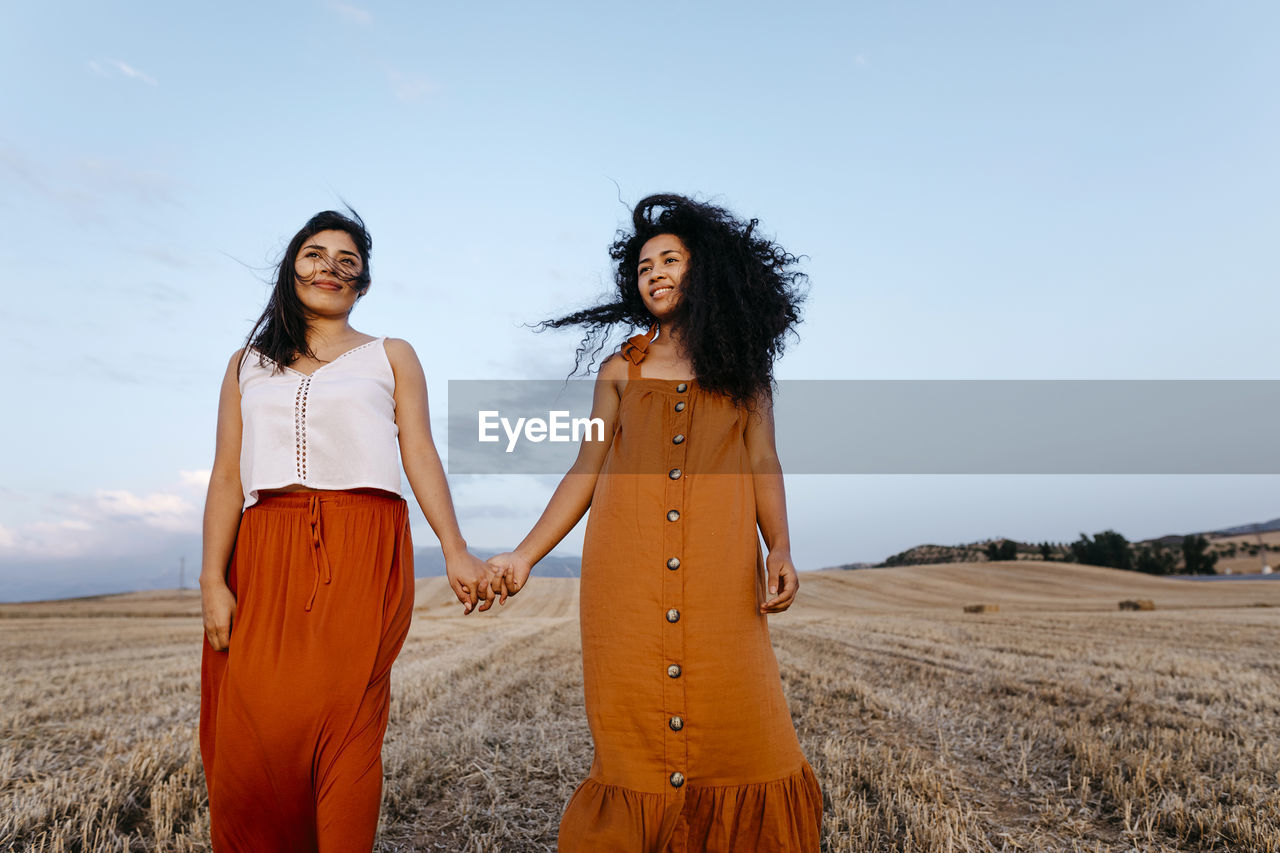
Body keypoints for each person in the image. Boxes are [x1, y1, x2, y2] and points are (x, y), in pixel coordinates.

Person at [488, 194, 823, 851]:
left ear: (708, 271)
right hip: (625, 585)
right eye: (644, 267)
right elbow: (585, 467)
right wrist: (524, 556)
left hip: (721, 585)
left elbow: (764, 459)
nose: (656, 272)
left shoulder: (745, 372)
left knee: (755, 739)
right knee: (633, 752)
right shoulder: (620, 370)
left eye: (670, 258)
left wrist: (779, 543)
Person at [198, 209, 494, 850]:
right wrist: (211, 580)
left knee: (349, 720)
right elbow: (227, 475)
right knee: (254, 732)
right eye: (313, 253)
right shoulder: (245, 364)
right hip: (265, 546)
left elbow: (419, 451)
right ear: (291, 268)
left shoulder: (391, 355)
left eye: (347, 260)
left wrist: (455, 548)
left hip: (364, 543)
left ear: (361, 282)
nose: (329, 267)